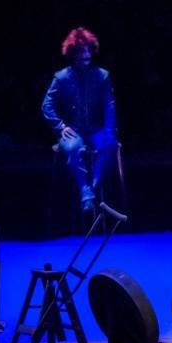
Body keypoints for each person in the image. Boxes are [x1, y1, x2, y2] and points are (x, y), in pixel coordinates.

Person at [41, 27, 118, 213]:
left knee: (109, 145)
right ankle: (85, 191)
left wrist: (109, 131)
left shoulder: (102, 76)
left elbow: (109, 105)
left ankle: (91, 189)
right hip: (73, 130)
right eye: (82, 51)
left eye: (88, 50)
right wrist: (60, 126)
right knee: (74, 148)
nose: (86, 54)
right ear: (73, 52)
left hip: (96, 129)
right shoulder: (61, 77)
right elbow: (47, 105)